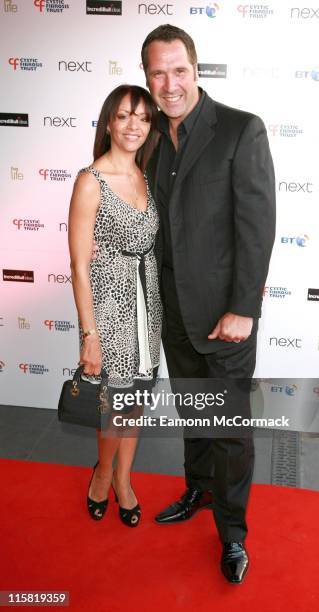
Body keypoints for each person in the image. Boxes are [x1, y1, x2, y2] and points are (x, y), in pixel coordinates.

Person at [141, 25, 276, 583]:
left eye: (179, 70)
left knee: (229, 429)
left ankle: (233, 533)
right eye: (157, 73)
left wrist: (243, 307)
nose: (169, 84)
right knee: (194, 414)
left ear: (196, 69)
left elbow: (257, 225)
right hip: (171, 311)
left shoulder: (241, 130)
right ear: (146, 77)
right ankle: (196, 488)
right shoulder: (145, 134)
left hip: (225, 317)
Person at [68, 85, 162, 527]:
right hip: (110, 308)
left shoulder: (148, 173)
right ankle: (103, 474)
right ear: (108, 122)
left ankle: (125, 479)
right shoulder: (92, 180)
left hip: (149, 303)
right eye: (124, 116)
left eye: (142, 119)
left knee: (137, 399)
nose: (133, 126)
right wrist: (90, 335)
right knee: (115, 404)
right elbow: (79, 265)